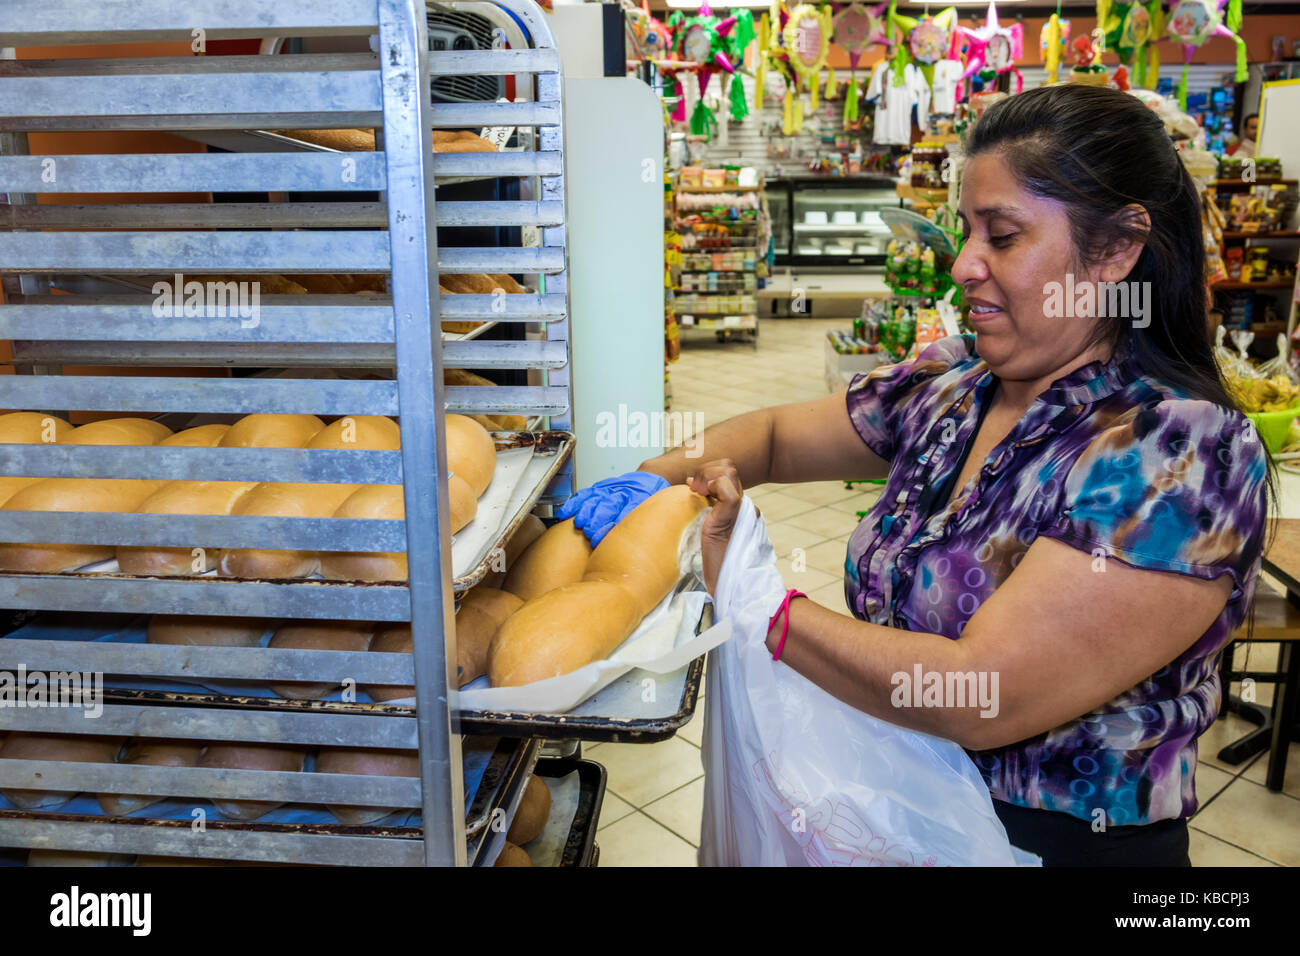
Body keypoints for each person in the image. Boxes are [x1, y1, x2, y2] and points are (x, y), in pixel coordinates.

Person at [565, 85, 1271, 866]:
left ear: (1114, 251)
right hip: (902, 810)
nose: (964, 265)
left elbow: (982, 692)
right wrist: (646, 485)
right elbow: (770, 437)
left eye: (1001, 236)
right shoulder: (955, 385)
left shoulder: (1181, 452)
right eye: (964, 230)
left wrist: (767, 608)